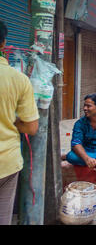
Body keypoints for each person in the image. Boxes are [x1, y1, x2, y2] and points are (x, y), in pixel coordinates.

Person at [0, 21, 39, 225]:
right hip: (7, 162)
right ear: (3, 44)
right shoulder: (18, 79)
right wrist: (12, 121)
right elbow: (31, 127)